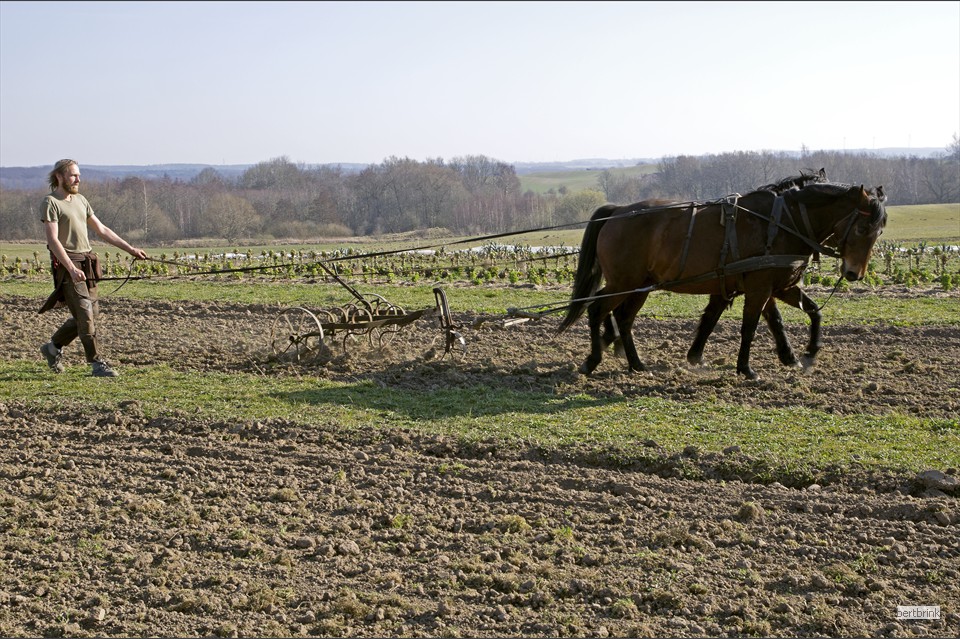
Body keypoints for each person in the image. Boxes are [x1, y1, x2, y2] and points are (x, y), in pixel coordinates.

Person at [38, 159, 147, 377]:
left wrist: (130, 249)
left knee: (89, 314)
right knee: (86, 316)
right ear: (59, 177)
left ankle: (52, 347)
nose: (78, 179)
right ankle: (97, 364)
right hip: (69, 265)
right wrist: (70, 268)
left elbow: (102, 230)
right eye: (73, 175)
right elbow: (53, 241)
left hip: (87, 264)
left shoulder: (80, 200)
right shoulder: (51, 202)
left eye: (78, 175)